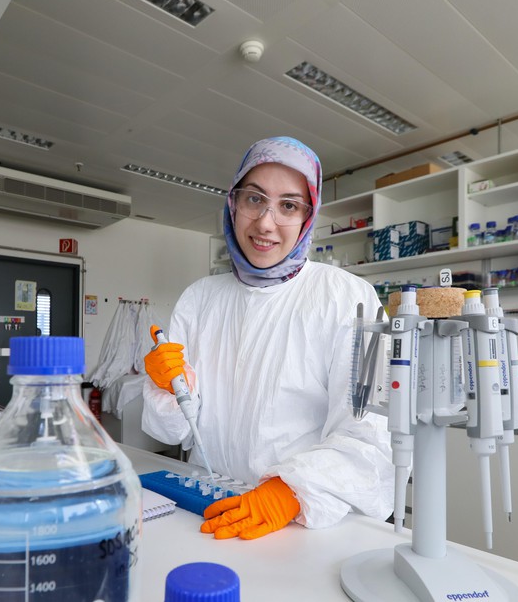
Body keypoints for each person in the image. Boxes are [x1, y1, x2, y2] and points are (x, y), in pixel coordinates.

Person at [142, 136, 395, 540]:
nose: (265, 223)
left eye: (289, 206)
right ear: (233, 203)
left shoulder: (347, 298)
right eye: (254, 200)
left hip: (302, 522)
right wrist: (165, 389)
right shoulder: (200, 298)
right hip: (206, 509)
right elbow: (171, 432)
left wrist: (292, 491)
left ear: (308, 217)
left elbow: (372, 435)